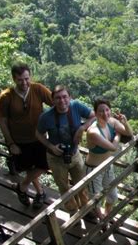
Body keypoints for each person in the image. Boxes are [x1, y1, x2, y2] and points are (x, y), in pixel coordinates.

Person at [0, 63, 53, 209]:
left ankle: (22, 186)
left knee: (44, 165)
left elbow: (56, 103)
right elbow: (2, 121)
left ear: (30, 77)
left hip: (39, 137)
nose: (25, 83)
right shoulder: (6, 97)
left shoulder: (38, 89)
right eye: (20, 79)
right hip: (20, 140)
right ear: (14, 79)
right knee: (29, 167)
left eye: (27, 78)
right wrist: (10, 143)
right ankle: (40, 193)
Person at [36, 85, 95, 214]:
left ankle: (86, 209)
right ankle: (73, 211)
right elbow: (38, 134)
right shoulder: (46, 116)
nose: (62, 101)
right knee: (64, 187)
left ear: (70, 97)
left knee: (82, 183)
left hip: (74, 154)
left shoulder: (76, 106)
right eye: (58, 98)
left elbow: (94, 116)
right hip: (55, 158)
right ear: (53, 100)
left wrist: (82, 128)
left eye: (64, 97)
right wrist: (51, 146)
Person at [85, 98, 133, 220]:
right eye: (101, 111)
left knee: (113, 197)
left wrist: (125, 122)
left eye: (107, 110)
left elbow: (129, 134)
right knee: (96, 200)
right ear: (95, 113)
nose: (105, 113)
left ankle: (107, 216)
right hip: (93, 170)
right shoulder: (93, 132)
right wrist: (117, 135)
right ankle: (101, 220)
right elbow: (112, 147)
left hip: (107, 166)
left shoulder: (111, 122)